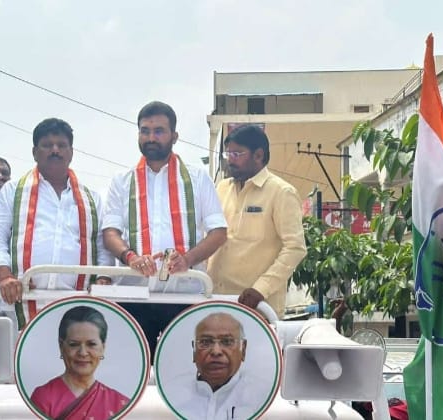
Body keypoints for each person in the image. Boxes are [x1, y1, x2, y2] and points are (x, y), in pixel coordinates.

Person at [101, 101, 227, 354]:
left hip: (185, 295)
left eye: (159, 131)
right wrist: (131, 257)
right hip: (134, 296)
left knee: (183, 367)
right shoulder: (122, 181)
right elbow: (110, 233)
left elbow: (219, 232)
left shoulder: (197, 178)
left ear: (174, 136)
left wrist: (187, 259)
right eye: (145, 131)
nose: (151, 138)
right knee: (133, 366)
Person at [0, 118, 112, 320]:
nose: (55, 150)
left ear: (71, 152)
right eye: (47, 145)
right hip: (21, 300)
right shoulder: (13, 191)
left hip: (79, 302)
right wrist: (5, 276)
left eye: (61, 145)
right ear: (35, 152)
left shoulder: (92, 198)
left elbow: (102, 244)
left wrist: (103, 278)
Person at [207, 124, 307, 318]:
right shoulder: (221, 188)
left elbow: (295, 248)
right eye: (228, 154)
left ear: (258, 155)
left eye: (237, 154)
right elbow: (209, 236)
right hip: (215, 301)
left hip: (258, 307)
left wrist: (261, 289)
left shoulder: (281, 192)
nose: (230, 160)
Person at [167, 312, 271, 420]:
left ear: (243, 349)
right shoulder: (172, 393)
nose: (216, 352)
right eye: (205, 342)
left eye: (227, 342)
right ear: (194, 350)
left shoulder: (262, 396)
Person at [30, 306, 129, 419]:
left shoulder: (119, 403)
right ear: (61, 346)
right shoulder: (43, 397)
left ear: (103, 348)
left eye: (91, 344)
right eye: (74, 344)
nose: (83, 353)